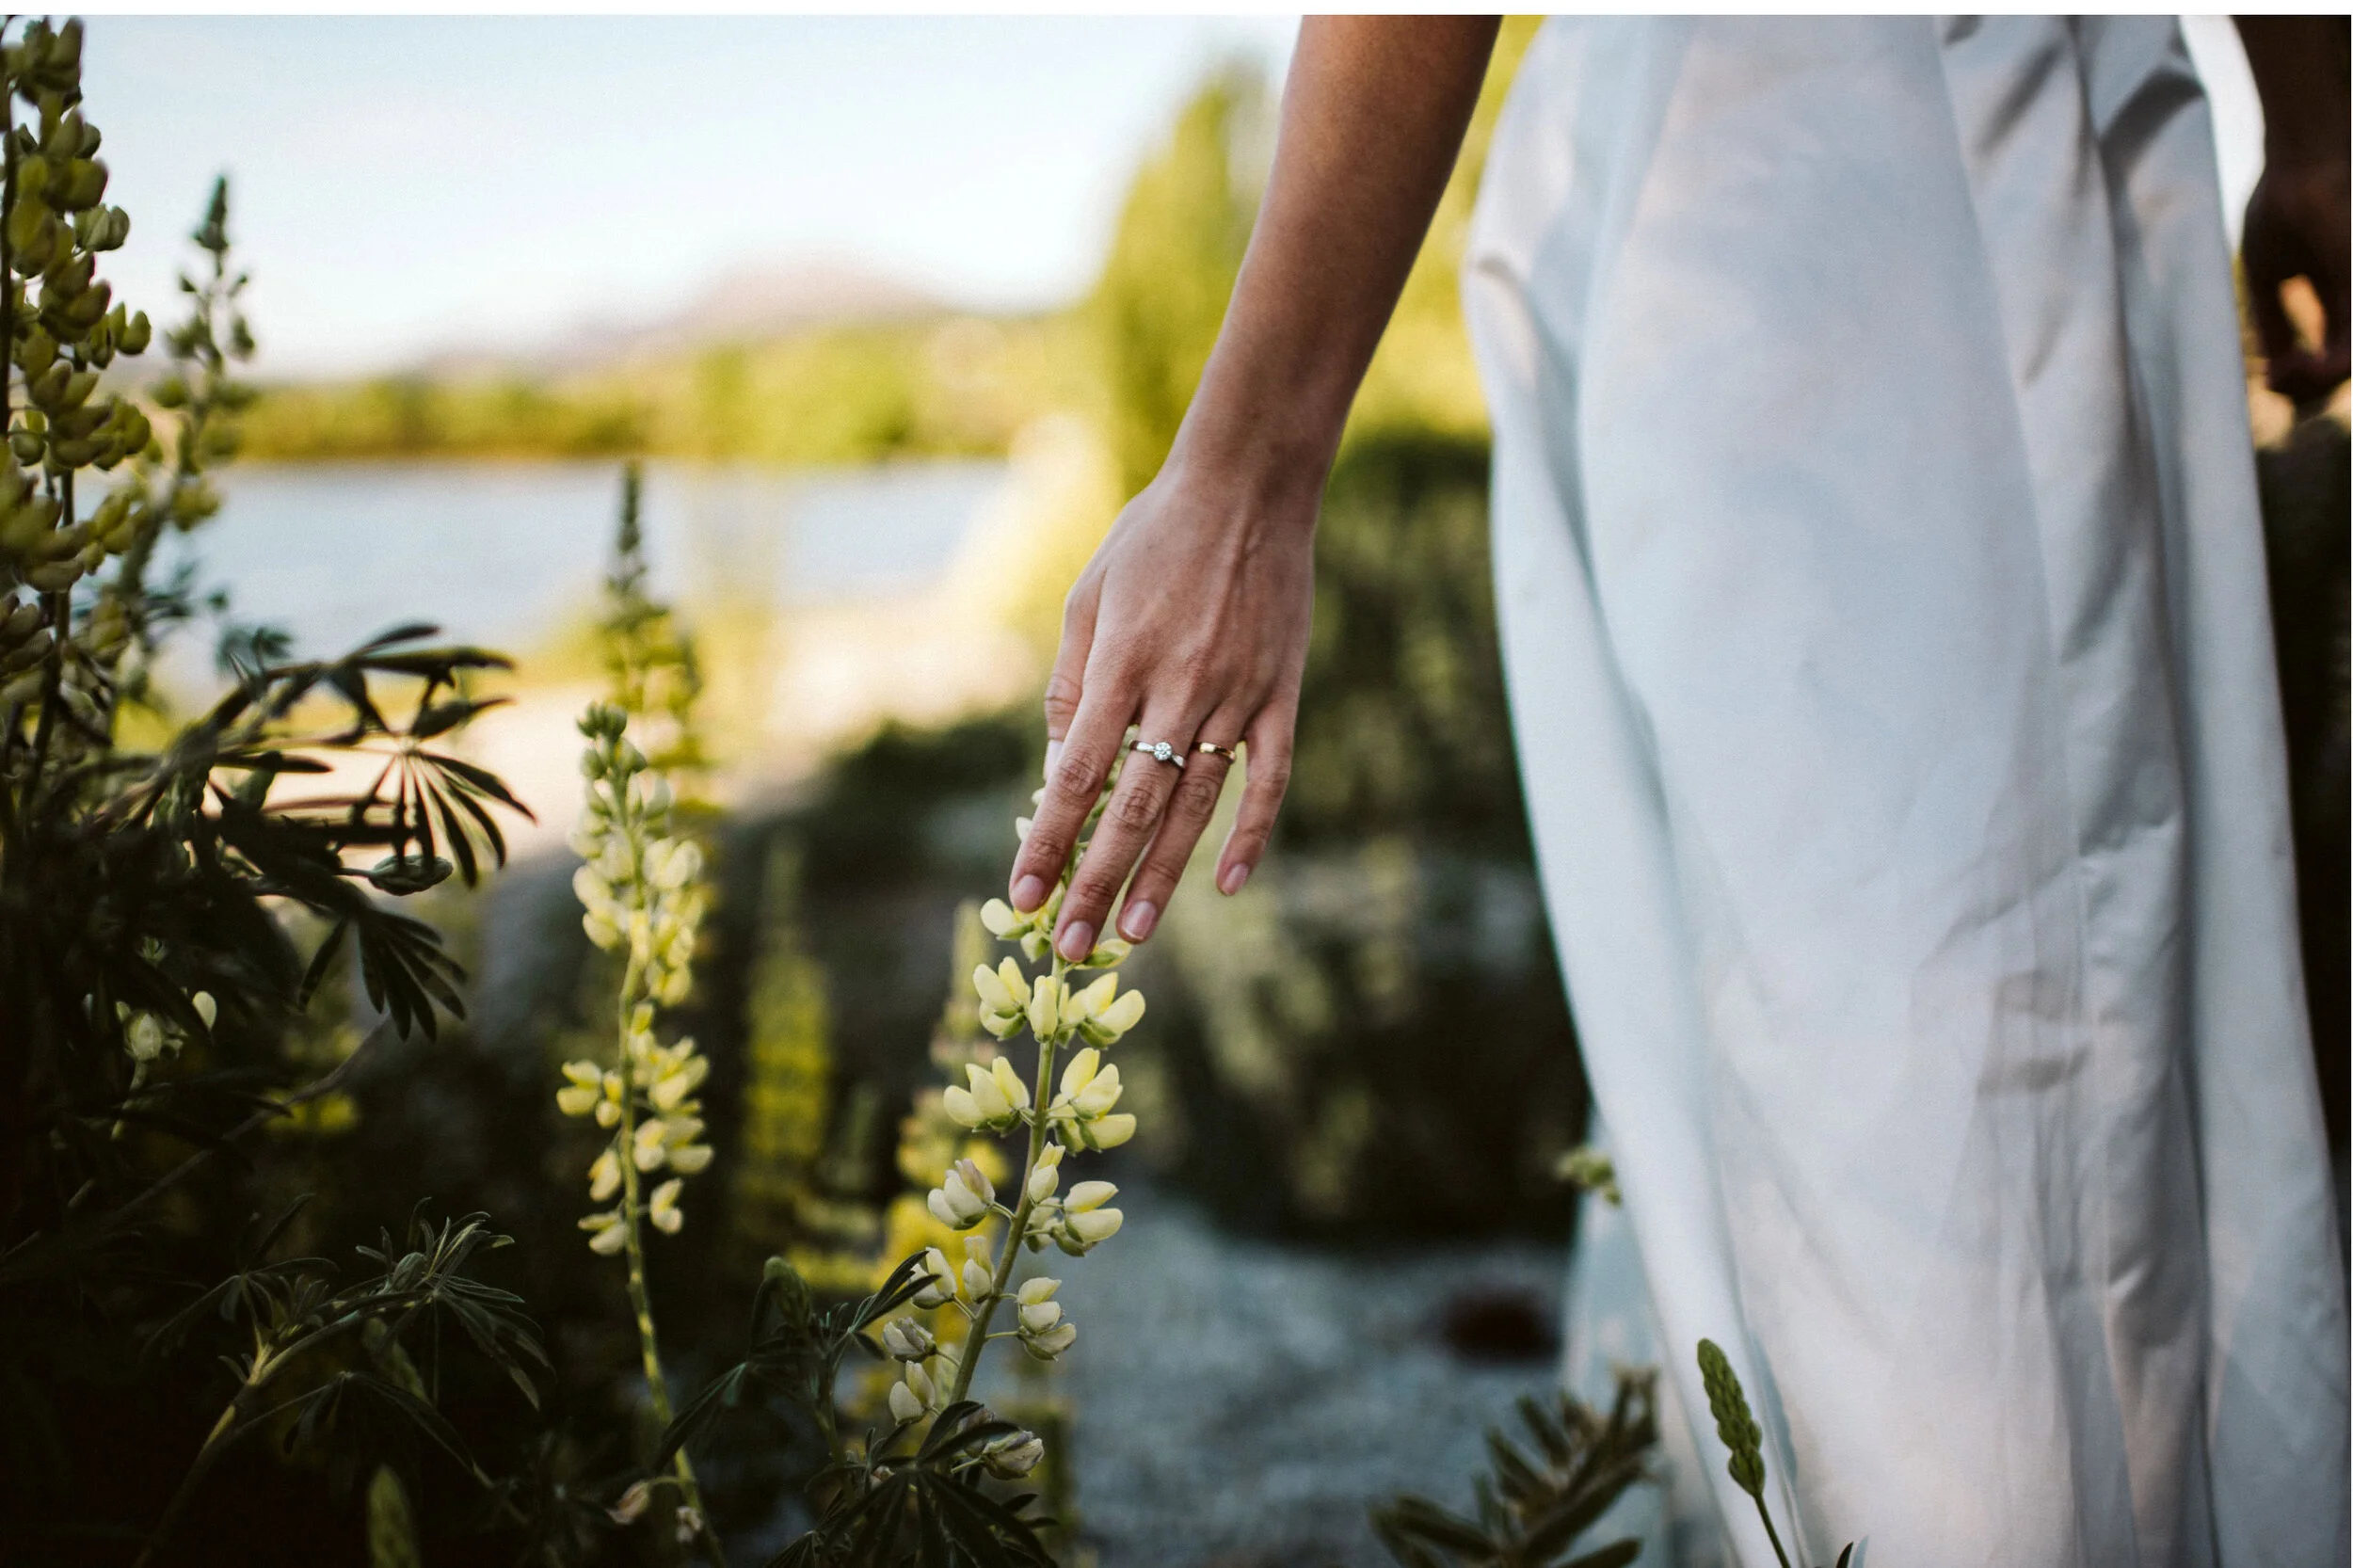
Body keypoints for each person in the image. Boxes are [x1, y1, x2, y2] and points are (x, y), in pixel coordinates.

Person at [1003, 17, 2348, 1566]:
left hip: (1871, 194)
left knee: (1979, 1095)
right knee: (1843, 1066)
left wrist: (1251, 462)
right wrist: (2314, 119)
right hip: (1771, 193)